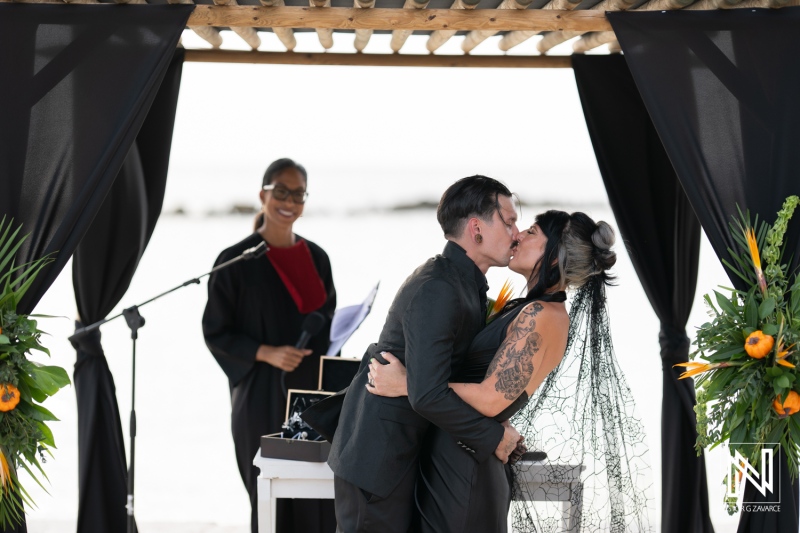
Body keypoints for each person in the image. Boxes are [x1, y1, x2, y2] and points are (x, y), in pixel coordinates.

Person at [367, 210, 619, 532]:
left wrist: (407, 383)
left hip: (465, 470)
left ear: (554, 257)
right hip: (456, 454)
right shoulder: (531, 308)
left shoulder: (543, 315)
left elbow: (490, 399)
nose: (518, 235)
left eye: (531, 231)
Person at [303, 175, 524, 533]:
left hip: (407, 455)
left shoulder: (466, 286)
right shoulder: (438, 287)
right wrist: (493, 437)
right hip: (378, 464)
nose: (517, 232)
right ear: (476, 228)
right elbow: (428, 393)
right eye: (510, 221)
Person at [202, 158, 336, 533]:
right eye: (281, 191)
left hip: (311, 400)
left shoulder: (318, 258)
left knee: (317, 498)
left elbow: (328, 325)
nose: (288, 201)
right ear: (263, 194)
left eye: (298, 194)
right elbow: (215, 331)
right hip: (258, 396)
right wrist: (266, 352)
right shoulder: (235, 261)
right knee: (269, 496)